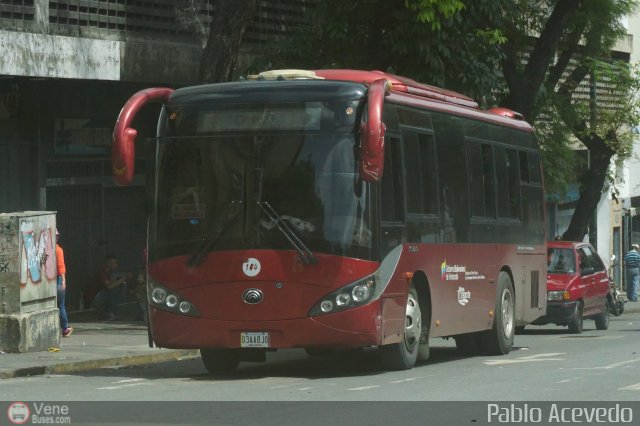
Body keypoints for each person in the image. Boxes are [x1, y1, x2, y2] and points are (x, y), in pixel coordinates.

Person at [91, 254, 131, 320]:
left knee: (119, 287)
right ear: (108, 263)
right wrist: (124, 278)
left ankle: (110, 312)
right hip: (96, 298)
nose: (116, 265)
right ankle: (109, 313)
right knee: (113, 289)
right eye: (114, 263)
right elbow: (110, 287)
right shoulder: (103, 272)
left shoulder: (110, 272)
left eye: (116, 263)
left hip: (101, 296)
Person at [55, 230, 73, 337]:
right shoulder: (58, 250)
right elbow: (61, 267)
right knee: (61, 306)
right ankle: (65, 329)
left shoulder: (44, 251)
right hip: (57, 279)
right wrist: (63, 280)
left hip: (48, 280)